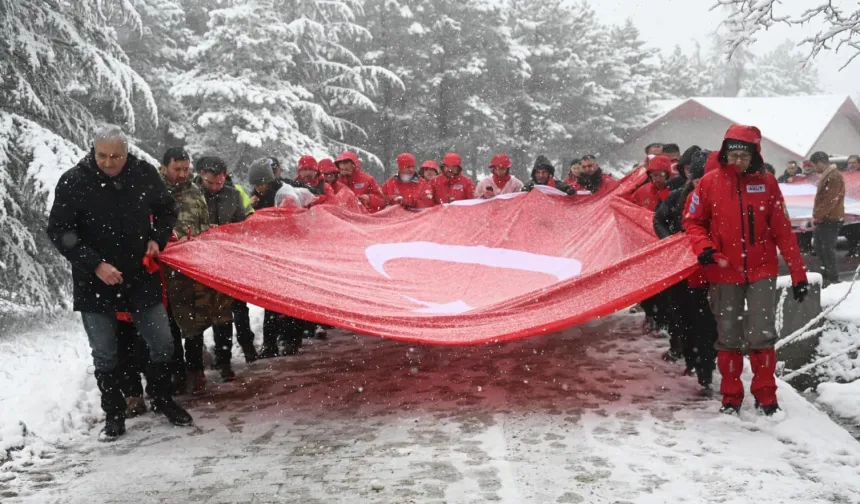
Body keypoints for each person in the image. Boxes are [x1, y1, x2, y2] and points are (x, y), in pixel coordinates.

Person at [47, 125, 192, 440]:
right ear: (93, 150)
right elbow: (59, 231)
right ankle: (114, 413)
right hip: (94, 281)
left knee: (163, 343)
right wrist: (95, 264)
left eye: (116, 156)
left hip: (140, 276)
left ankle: (162, 397)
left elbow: (167, 210)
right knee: (105, 352)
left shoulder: (143, 174)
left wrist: (157, 239)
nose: (109, 162)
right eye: (103, 155)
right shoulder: (74, 181)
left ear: (127, 153)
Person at [684, 124, 808, 416]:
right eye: (733, 155)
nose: (737, 161)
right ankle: (730, 396)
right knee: (728, 336)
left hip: (761, 269)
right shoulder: (709, 183)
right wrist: (704, 248)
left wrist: (798, 273)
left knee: (762, 334)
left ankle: (766, 396)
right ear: (725, 153)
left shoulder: (767, 183)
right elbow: (693, 222)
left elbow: (783, 232)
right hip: (724, 270)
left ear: (755, 155)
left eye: (743, 155)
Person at [160, 148, 236, 390]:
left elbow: (203, 228)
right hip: (164, 272)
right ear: (165, 168)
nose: (182, 174)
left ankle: (195, 371)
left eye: (185, 168)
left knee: (195, 322)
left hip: (192, 270)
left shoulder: (194, 193)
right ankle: (176, 373)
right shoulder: (154, 192)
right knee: (169, 326)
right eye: (177, 169)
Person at [653, 150, 718, 388]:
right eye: (697, 178)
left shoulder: (719, 199)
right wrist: (671, 241)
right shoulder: (677, 197)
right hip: (681, 270)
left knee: (705, 323)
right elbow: (658, 220)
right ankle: (692, 360)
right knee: (682, 318)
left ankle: (705, 367)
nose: (701, 183)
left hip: (707, 271)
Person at [196, 156, 259, 364]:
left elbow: (241, 226)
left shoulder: (232, 195)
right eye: (210, 182)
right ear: (201, 176)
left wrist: (226, 233)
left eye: (219, 183)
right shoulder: (191, 195)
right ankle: (199, 361)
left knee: (237, 308)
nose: (214, 187)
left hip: (229, 260)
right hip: (200, 262)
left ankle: (236, 352)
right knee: (205, 312)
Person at [810, 151, 845, 287]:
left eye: (814, 165)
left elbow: (830, 199)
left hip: (830, 218)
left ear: (819, 163)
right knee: (820, 247)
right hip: (827, 217)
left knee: (826, 249)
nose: (814, 168)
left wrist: (818, 215)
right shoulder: (830, 175)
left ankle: (832, 277)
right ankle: (827, 274)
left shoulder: (834, 176)